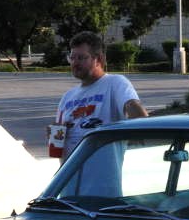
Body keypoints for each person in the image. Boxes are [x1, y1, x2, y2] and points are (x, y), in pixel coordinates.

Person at [52, 31, 148, 163]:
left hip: (102, 173)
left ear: (99, 59)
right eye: (72, 58)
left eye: (81, 58)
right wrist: (55, 136)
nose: (75, 63)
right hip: (71, 172)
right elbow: (57, 143)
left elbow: (135, 110)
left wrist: (137, 129)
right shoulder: (67, 97)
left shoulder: (115, 83)